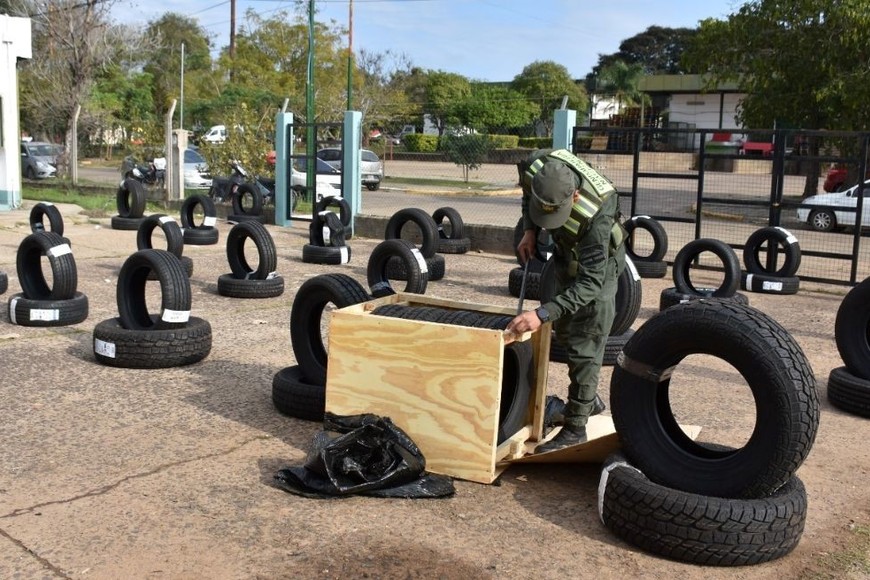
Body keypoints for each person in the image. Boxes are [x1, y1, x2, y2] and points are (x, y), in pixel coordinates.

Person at [505, 148, 626, 453]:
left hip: (596, 271)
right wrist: (530, 230)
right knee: (569, 333)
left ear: (573, 198)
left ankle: (576, 427)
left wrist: (542, 314)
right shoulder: (536, 167)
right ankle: (587, 401)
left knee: (586, 342)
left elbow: (589, 284)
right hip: (565, 255)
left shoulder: (597, 212)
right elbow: (526, 194)